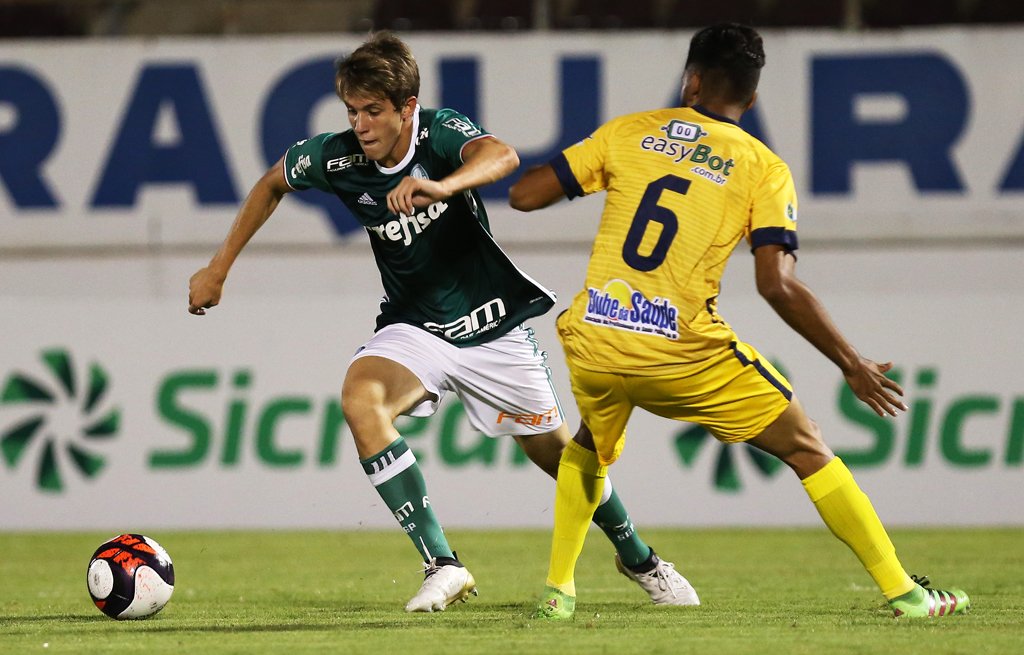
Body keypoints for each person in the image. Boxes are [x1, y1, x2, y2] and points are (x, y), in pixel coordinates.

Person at [188, 32, 698, 613]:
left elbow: (502, 156)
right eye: (352, 111)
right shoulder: (335, 157)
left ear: (407, 108)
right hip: (415, 328)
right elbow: (273, 181)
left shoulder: (439, 132)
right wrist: (217, 267)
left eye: (373, 111)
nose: (360, 124)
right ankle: (442, 564)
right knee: (361, 401)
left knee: (560, 456)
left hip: (492, 327)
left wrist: (443, 185)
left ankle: (639, 557)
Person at [509, 23, 970, 621]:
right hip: (679, 352)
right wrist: (850, 363)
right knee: (807, 448)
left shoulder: (629, 132)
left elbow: (524, 196)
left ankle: (559, 592)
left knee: (590, 446)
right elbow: (776, 285)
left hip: (596, 339)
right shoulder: (762, 167)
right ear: (751, 99)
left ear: (691, 81)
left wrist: (597, 161)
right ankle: (905, 594)